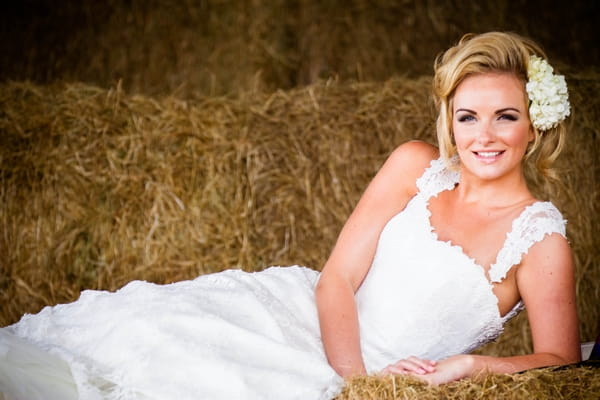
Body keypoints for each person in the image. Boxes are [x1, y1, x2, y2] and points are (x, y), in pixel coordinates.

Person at [0, 31, 580, 400]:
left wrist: (470, 367)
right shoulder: (415, 165)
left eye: (505, 116)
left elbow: (557, 360)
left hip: (394, 370)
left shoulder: (538, 238)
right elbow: (337, 279)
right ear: (448, 121)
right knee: (149, 341)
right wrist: (355, 383)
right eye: (467, 117)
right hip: (304, 317)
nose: (484, 136)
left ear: (535, 126)